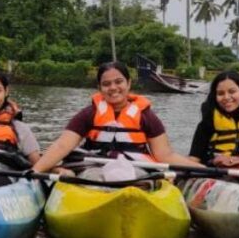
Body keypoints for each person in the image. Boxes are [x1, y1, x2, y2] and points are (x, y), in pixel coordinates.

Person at [33, 61, 197, 178]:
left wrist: (201, 169)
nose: (113, 88)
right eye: (106, 84)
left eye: (119, 82)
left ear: (128, 83)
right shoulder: (88, 114)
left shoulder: (147, 117)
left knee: (137, 179)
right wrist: (34, 172)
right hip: (94, 166)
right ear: (99, 88)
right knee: (92, 177)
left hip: (135, 168)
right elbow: (62, 146)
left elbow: (165, 155)